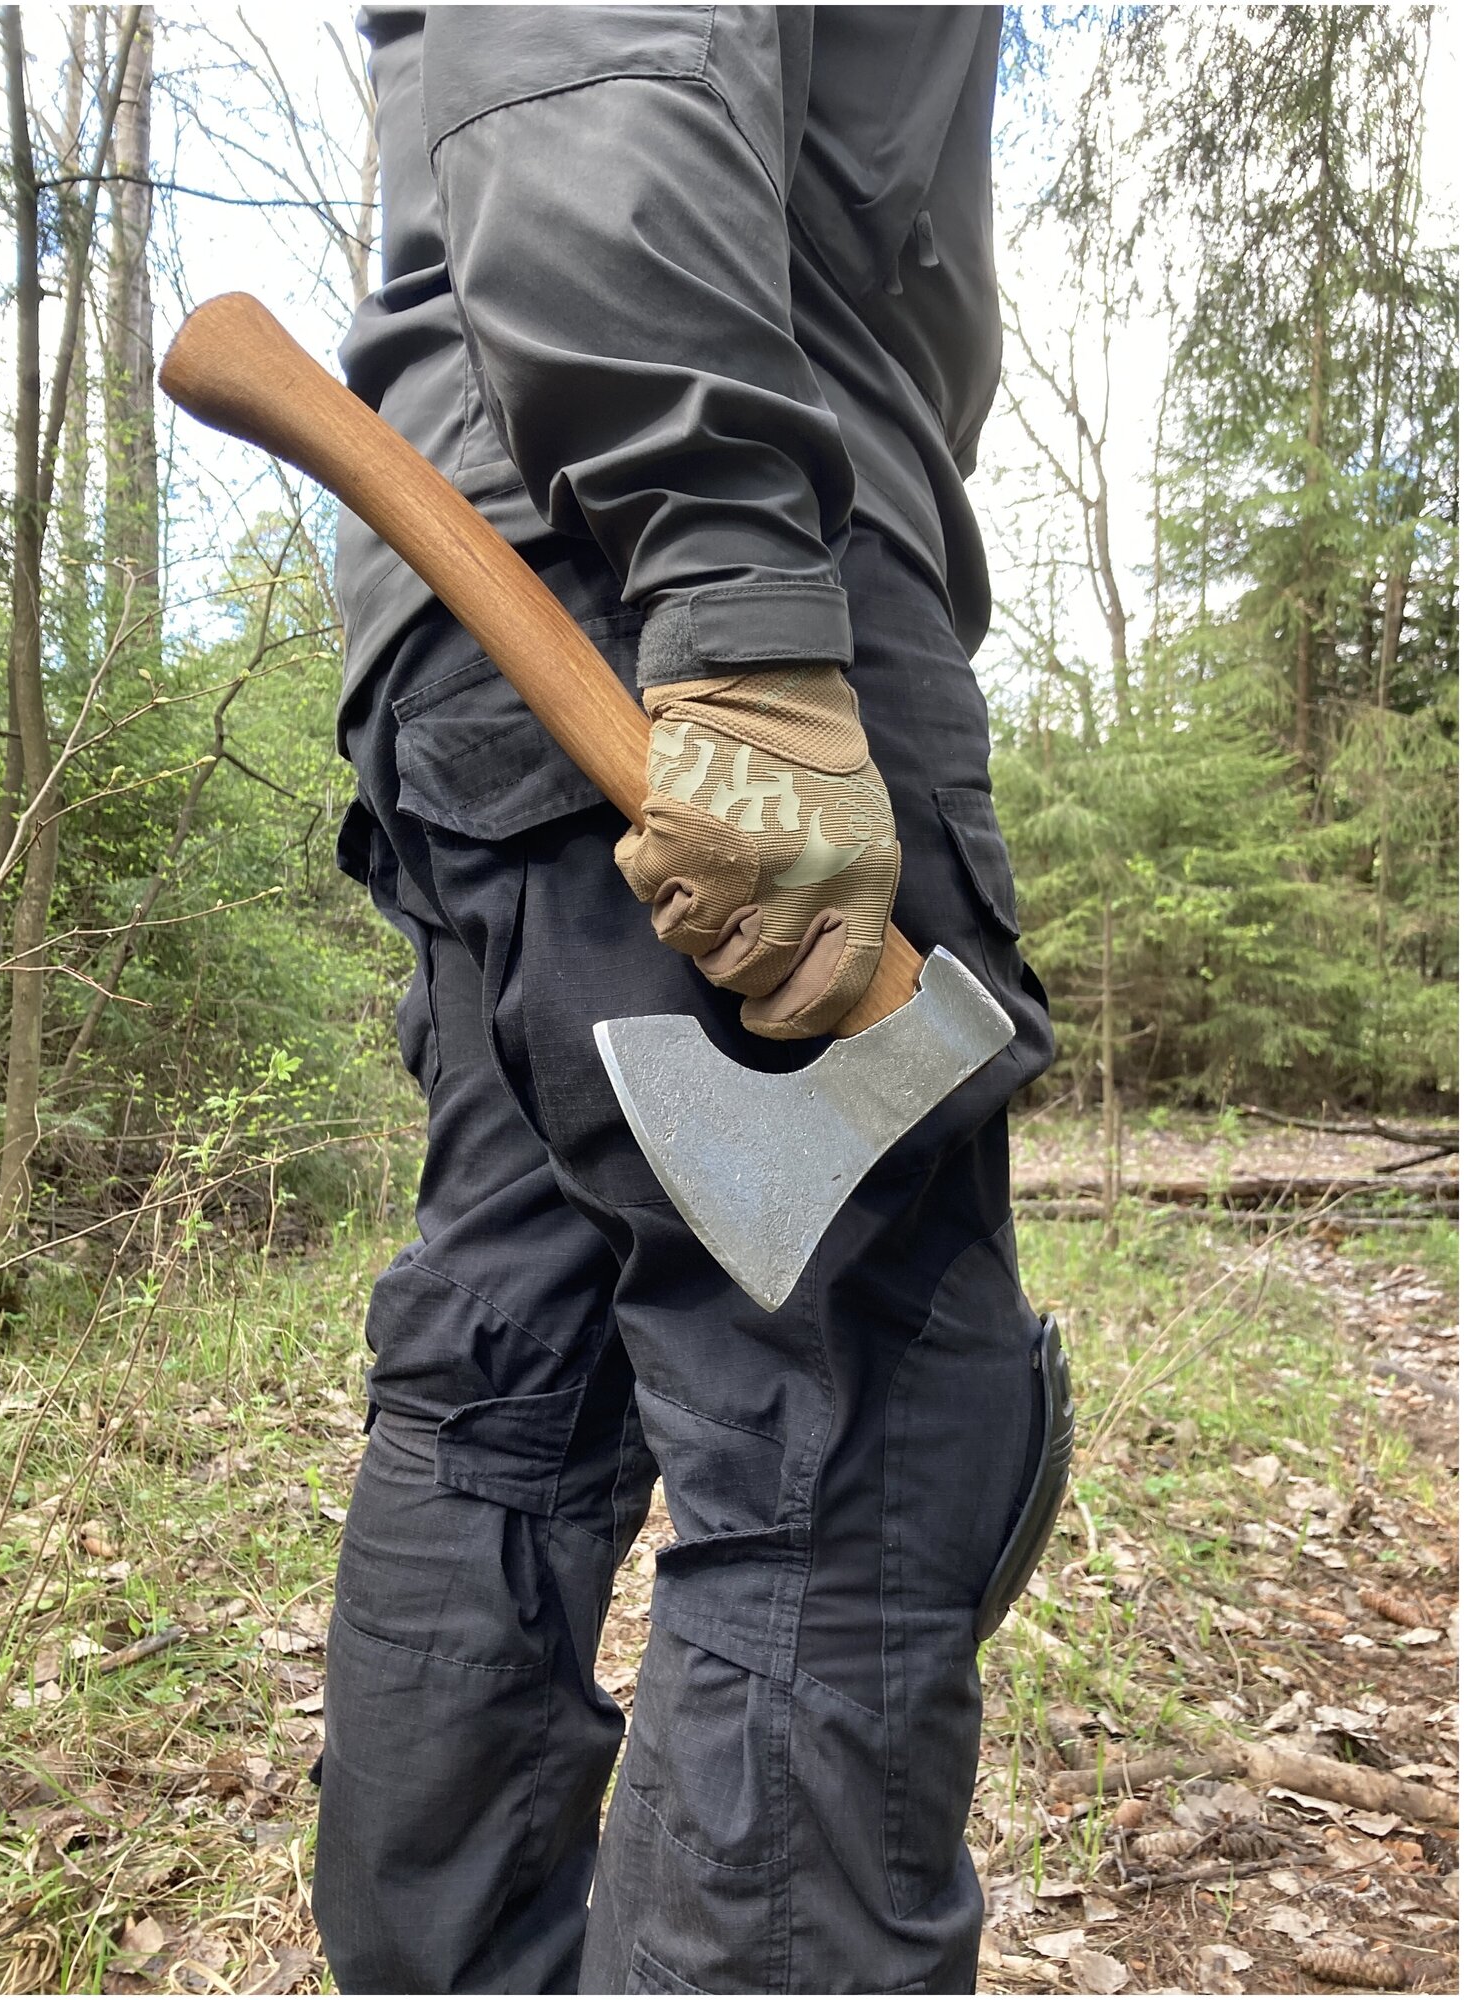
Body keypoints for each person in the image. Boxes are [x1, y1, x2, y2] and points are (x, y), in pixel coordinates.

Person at [312, 7, 1066, 1993]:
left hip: (487, 595)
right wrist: (735, 587)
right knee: (859, 1435)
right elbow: (591, 40)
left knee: (504, 1385)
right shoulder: (717, 527)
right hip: (694, 542)